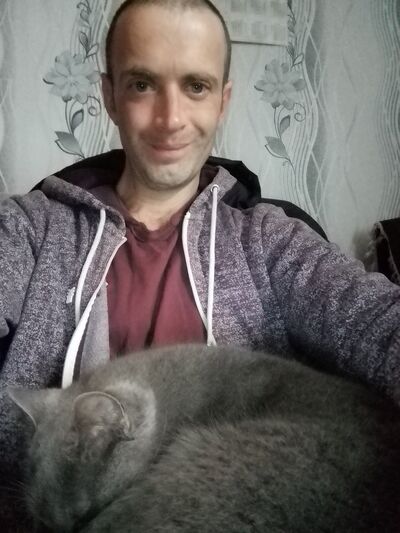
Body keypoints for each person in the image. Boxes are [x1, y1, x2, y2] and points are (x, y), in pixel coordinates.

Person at [0, 0, 399, 529]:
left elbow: (377, 322)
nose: (170, 119)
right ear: (110, 96)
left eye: (196, 86)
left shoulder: (269, 241)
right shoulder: (32, 228)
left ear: (222, 101)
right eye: (142, 84)